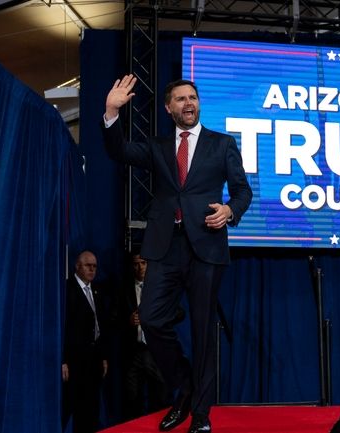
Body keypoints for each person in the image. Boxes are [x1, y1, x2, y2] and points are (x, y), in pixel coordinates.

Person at [102, 75, 253, 433]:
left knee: (203, 332)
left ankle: (200, 413)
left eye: (193, 98)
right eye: (181, 99)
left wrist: (230, 210)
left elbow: (243, 191)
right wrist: (110, 111)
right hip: (165, 246)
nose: (189, 103)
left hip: (207, 246)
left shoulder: (222, 144)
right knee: (151, 319)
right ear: (169, 108)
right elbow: (118, 151)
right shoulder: (157, 146)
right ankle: (186, 386)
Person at [62, 250, 109, 433]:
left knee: (90, 408)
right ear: (77, 266)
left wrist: (103, 356)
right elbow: (64, 328)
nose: (92, 269)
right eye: (88, 265)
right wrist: (63, 359)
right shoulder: (67, 289)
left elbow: (100, 326)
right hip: (75, 360)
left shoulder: (96, 290)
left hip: (93, 359)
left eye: (95, 266)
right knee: (70, 405)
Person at [121, 253, 169, 420]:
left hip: (155, 351)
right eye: (136, 264)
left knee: (161, 396)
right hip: (133, 352)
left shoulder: (159, 288)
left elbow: (179, 313)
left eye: (143, 263)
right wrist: (127, 320)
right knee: (132, 399)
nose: (140, 267)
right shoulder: (124, 290)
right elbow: (111, 319)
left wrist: (157, 317)